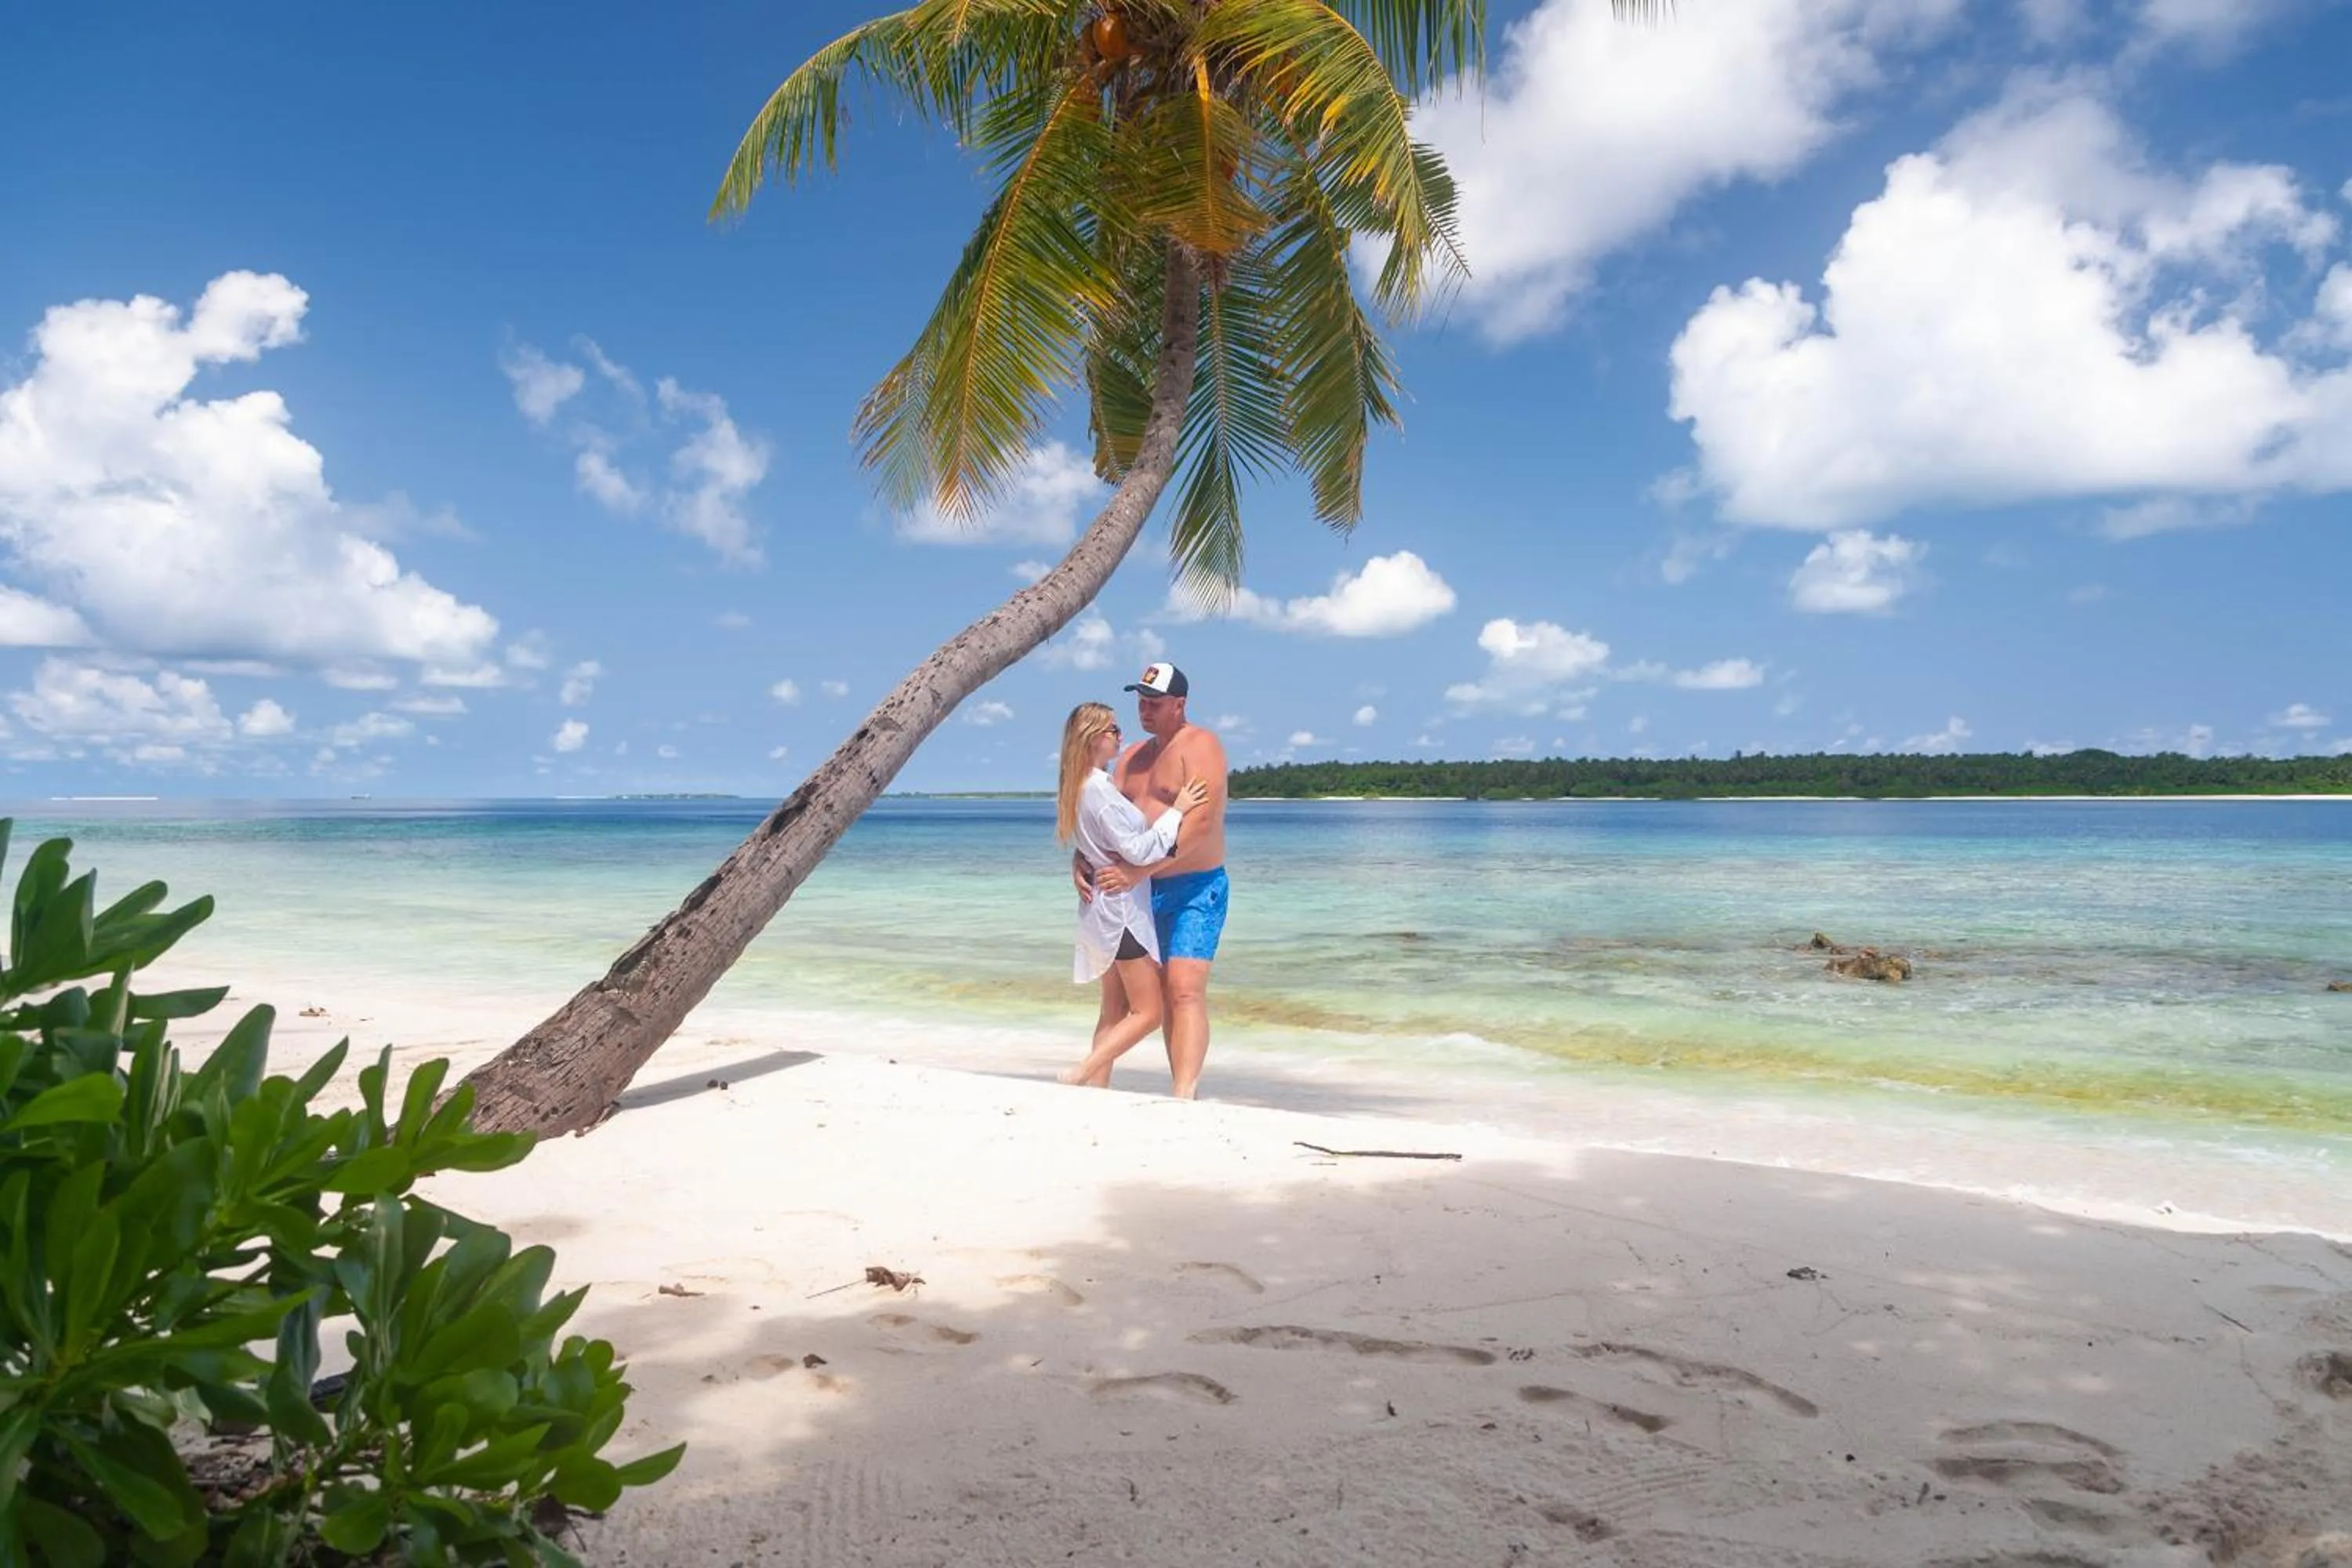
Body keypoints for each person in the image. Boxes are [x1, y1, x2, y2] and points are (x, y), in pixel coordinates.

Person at [1080, 662, 1229, 1099]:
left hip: (1194, 888)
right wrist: (1081, 860)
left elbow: (1199, 826)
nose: (1145, 709)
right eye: (1141, 701)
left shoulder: (1200, 746)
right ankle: (1093, 1090)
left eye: (1155, 702)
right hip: (1138, 890)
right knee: (1120, 997)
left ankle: (1183, 1095)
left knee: (1183, 991)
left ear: (1179, 704)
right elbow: (1102, 820)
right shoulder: (1131, 757)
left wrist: (1138, 871)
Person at [1054, 701, 1210, 1088]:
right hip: (1120, 912)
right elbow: (1138, 852)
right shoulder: (1099, 793)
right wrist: (1178, 811)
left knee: (1113, 1008)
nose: (1120, 736)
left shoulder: (1081, 787)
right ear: (1092, 740)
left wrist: (1082, 860)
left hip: (1100, 910)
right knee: (1148, 1013)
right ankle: (1083, 1073)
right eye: (1112, 731)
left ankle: (1096, 1090)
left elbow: (1095, 843)